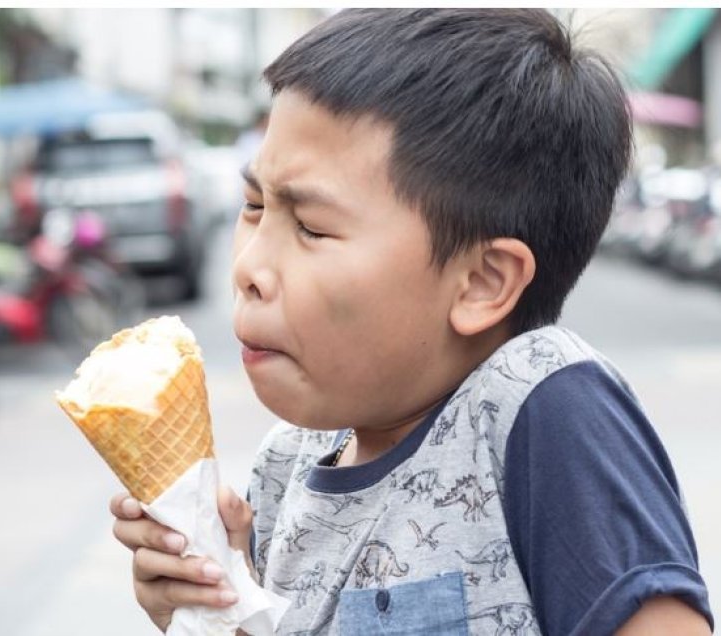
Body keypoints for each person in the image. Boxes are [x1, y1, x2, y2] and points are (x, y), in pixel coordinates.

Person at [111, 9, 714, 635]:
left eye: (312, 227)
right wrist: (218, 606)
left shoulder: (540, 405)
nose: (248, 266)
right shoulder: (283, 466)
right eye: (255, 206)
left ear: (482, 283)